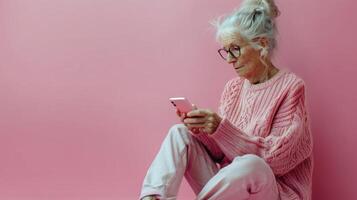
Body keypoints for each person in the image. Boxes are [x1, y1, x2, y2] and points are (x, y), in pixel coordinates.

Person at [139, 0, 313, 199]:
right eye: (225, 51)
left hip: (272, 192)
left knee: (253, 165)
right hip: (229, 192)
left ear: (262, 45)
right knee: (179, 133)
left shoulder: (291, 88)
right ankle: (153, 198)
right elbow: (220, 155)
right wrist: (203, 129)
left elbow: (277, 161)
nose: (229, 59)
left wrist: (221, 128)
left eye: (235, 49)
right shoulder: (233, 88)